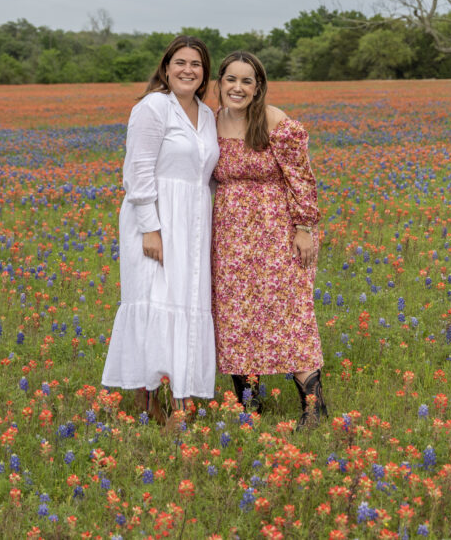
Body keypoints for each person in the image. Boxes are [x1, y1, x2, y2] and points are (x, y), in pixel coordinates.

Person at [101, 35, 220, 424]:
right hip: (157, 218)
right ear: (166, 68)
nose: (188, 70)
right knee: (153, 301)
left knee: (186, 302)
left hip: (193, 222)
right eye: (180, 62)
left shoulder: (206, 114)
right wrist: (150, 229)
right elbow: (137, 172)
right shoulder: (153, 107)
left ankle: (181, 401)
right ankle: (148, 403)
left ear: (204, 74)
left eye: (196, 64)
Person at [209, 50, 327, 427]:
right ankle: (250, 403)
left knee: (290, 314)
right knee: (235, 316)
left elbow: (302, 179)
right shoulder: (210, 123)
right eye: (231, 79)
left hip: (277, 231)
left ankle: (312, 406)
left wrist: (305, 228)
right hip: (229, 235)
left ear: (258, 87)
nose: (238, 87)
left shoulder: (276, 121)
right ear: (220, 83)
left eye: (247, 81)